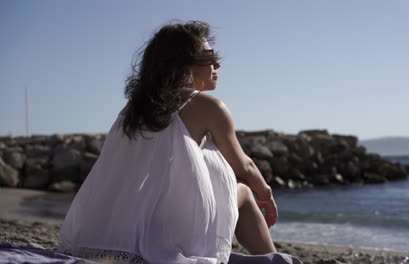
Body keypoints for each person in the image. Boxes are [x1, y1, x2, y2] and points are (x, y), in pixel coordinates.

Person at [58, 21, 302, 264]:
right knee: (246, 192)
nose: (217, 64)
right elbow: (244, 167)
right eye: (209, 58)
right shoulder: (208, 106)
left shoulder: (134, 108)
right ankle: (273, 259)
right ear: (182, 66)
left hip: (114, 229)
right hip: (171, 232)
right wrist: (266, 194)